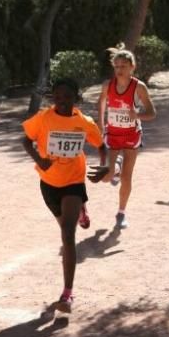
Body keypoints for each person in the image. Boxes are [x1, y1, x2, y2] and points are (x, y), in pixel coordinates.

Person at [22, 77, 108, 314]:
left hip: (73, 182)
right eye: (57, 97)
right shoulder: (43, 118)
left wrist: (104, 166)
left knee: (67, 235)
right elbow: (26, 140)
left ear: (76, 98)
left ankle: (67, 293)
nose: (61, 102)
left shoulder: (84, 122)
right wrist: (40, 160)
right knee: (65, 228)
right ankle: (81, 210)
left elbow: (102, 147)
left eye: (67, 97)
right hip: (48, 184)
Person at [97, 43, 157, 228]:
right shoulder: (108, 85)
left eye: (123, 66)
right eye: (116, 67)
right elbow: (101, 104)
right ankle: (115, 167)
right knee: (106, 176)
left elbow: (152, 113)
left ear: (133, 67)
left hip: (131, 134)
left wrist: (136, 115)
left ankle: (121, 213)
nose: (119, 70)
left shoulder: (139, 87)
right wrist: (100, 124)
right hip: (113, 133)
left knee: (126, 178)